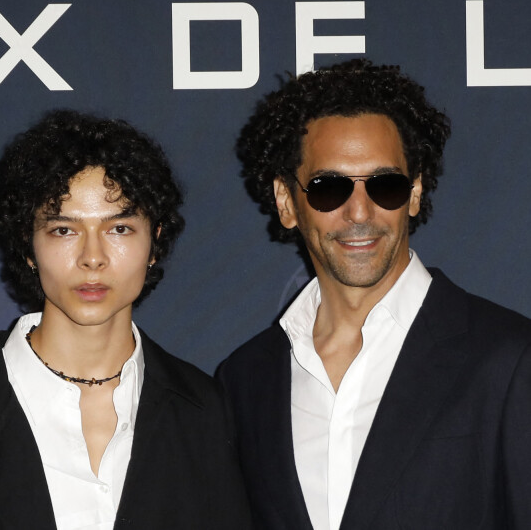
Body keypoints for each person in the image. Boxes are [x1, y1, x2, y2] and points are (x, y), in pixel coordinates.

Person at [217, 59, 531, 529]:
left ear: (416, 192)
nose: (360, 211)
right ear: (287, 202)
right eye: (329, 188)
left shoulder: (509, 359)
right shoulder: (245, 382)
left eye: (386, 185)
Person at [0, 110, 251, 530]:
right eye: (63, 230)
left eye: (120, 229)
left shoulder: (204, 411)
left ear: (155, 242)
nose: (93, 257)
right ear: (26, 244)